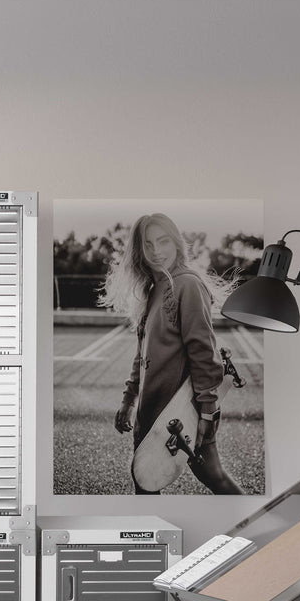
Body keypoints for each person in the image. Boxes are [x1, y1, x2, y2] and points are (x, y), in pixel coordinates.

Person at [103, 212, 243, 494]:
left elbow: (203, 353)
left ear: (177, 243)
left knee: (213, 476)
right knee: (144, 483)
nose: (157, 251)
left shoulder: (188, 285)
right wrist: (129, 399)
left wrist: (206, 413)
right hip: (150, 410)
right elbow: (141, 354)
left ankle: (257, 528)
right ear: (139, 251)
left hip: (182, 411)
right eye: (148, 244)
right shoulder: (153, 290)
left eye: (163, 241)